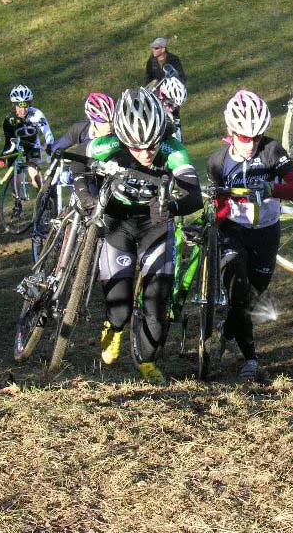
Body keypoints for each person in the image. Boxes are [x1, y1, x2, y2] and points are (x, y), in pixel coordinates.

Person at [69, 88, 201, 384]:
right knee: (121, 304)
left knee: (157, 302)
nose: (145, 153)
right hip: (118, 224)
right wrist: (85, 195)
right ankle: (114, 328)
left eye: (151, 146)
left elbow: (195, 197)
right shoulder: (107, 143)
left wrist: (172, 207)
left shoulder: (173, 149)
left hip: (155, 226)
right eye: (136, 147)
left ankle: (147, 362)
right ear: (123, 138)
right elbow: (75, 162)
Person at [207, 90, 293, 382]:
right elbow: (219, 204)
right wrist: (216, 217)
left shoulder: (272, 150)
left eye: (255, 137)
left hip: (266, 232)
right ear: (231, 131)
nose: (250, 144)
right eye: (243, 137)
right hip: (233, 231)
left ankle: (227, 331)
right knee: (237, 291)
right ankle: (250, 359)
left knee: (250, 299)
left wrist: (272, 189)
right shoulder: (217, 161)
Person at [2, 85, 54, 187]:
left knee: (34, 173)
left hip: (32, 145)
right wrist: (3, 156)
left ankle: (43, 197)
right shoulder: (9, 119)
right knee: (15, 179)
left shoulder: (37, 114)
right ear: (14, 105)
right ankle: (17, 201)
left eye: (26, 106)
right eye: (19, 106)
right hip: (16, 146)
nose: (23, 110)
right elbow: (8, 140)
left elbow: (47, 132)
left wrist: (49, 144)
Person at [52, 92, 117, 155]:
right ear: (92, 121)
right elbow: (56, 147)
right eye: (103, 123)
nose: (109, 126)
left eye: (111, 121)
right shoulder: (80, 130)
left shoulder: (118, 132)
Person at [153, 76, 187, 142]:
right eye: (171, 103)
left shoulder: (174, 109)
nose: (173, 107)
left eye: (176, 105)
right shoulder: (155, 90)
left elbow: (177, 123)